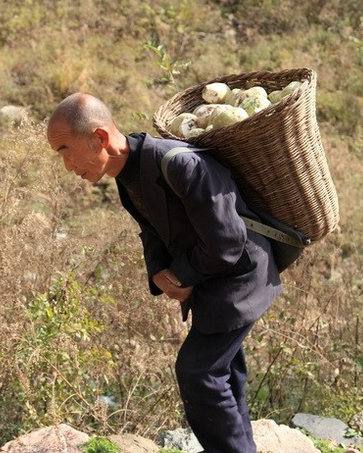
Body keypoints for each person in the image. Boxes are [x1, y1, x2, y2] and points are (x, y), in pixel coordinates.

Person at [47, 92, 282, 453]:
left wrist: (183, 276)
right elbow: (152, 229)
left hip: (241, 277)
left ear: (99, 138)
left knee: (199, 373)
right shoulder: (128, 176)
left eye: (65, 149)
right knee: (222, 372)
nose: (66, 164)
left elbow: (227, 243)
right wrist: (159, 271)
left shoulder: (179, 164)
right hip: (215, 281)